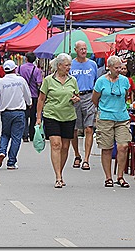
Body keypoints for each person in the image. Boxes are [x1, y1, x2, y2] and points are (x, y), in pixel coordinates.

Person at [36, 53, 80, 188]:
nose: (69, 68)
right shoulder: (48, 80)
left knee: (65, 147)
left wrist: (76, 99)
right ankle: (58, 177)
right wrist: (38, 117)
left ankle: (60, 171)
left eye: (69, 65)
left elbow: (76, 95)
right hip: (52, 115)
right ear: (59, 65)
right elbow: (41, 99)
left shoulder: (72, 80)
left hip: (68, 116)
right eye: (66, 65)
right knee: (56, 144)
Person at [92, 55, 131, 189]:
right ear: (109, 67)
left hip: (122, 117)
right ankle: (108, 177)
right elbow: (94, 99)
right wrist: (103, 109)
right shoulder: (101, 81)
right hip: (105, 118)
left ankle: (120, 176)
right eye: (116, 68)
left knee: (123, 146)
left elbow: (126, 96)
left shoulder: (125, 81)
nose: (119, 70)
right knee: (107, 148)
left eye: (121, 67)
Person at [0, 60, 32, 170]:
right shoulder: (21, 80)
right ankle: (11, 161)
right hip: (19, 112)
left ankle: (2, 151)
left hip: (6, 112)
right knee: (16, 138)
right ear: (15, 69)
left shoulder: (0, 82)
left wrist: (0, 110)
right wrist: (29, 104)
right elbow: (28, 96)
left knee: (5, 134)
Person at [70, 40, 97, 171]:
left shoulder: (92, 64)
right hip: (74, 98)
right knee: (74, 129)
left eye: (85, 49)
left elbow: (97, 82)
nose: (83, 51)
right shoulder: (71, 65)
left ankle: (86, 159)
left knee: (89, 128)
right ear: (76, 50)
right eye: (81, 49)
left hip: (89, 96)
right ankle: (77, 154)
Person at [17, 52, 43, 142]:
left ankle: (24, 135)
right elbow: (39, 83)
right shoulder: (37, 70)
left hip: (22, 95)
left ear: (26, 59)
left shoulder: (19, 68)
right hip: (34, 95)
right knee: (33, 116)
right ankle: (31, 134)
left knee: (23, 116)